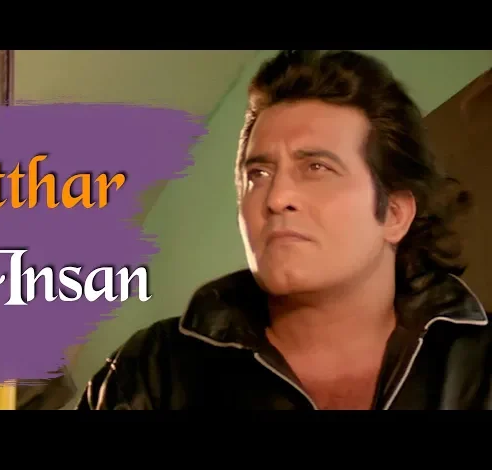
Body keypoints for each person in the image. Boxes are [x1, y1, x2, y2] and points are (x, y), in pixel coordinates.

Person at [76, 50, 491, 410]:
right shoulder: (151, 371)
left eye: (317, 167)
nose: (276, 198)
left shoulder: (480, 368)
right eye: (258, 174)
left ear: (395, 214)